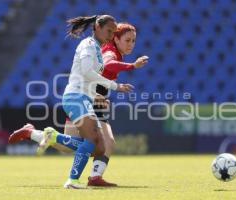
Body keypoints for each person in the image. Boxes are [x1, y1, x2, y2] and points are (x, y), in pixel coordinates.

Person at [9, 22, 148, 187]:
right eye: (127, 40)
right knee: (105, 142)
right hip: (89, 101)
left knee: (70, 146)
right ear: (116, 39)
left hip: (90, 99)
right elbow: (107, 65)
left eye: (133, 41)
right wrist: (132, 66)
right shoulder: (111, 52)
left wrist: (102, 94)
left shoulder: (113, 51)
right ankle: (93, 178)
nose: (131, 44)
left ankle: (33, 133)